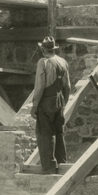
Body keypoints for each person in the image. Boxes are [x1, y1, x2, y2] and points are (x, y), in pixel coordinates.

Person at [29, 36, 71, 173]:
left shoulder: (43, 62)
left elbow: (40, 86)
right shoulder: (63, 62)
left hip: (46, 103)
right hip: (59, 102)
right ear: (54, 49)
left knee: (46, 134)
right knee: (59, 132)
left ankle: (49, 167)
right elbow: (68, 86)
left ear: (43, 49)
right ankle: (62, 163)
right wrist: (63, 102)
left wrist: (34, 106)